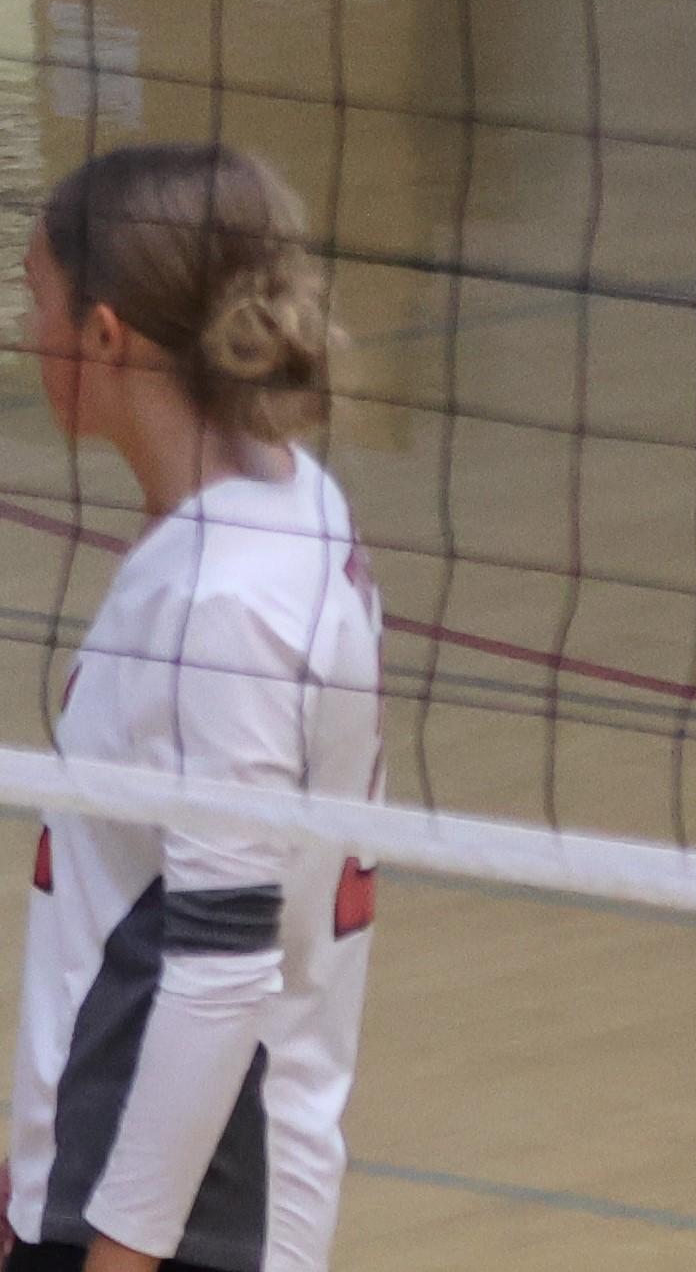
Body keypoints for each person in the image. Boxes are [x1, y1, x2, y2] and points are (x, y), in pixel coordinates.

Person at [7, 143, 383, 1272]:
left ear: (107, 334)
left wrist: (118, 1255)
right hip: (139, 1180)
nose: (26, 333)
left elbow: (220, 967)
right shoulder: (283, 503)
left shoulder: (225, 607)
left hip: (183, 1220)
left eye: (36, 298)